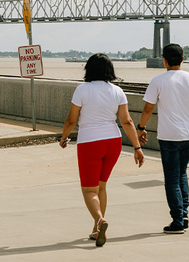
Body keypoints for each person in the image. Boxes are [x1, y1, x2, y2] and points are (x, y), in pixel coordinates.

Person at [59, 53, 145, 247]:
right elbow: (127, 121)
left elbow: (71, 119)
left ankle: (100, 221)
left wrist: (64, 138)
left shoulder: (82, 90)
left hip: (90, 142)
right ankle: (97, 230)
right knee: (102, 187)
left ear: (88, 69)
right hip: (113, 141)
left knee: (89, 190)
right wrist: (137, 147)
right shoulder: (117, 91)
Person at [137, 43, 189, 234]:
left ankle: (177, 221)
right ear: (183, 59)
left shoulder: (158, 80)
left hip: (169, 138)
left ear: (164, 61)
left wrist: (141, 128)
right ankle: (183, 213)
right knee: (182, 174)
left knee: (171, 179)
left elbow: (148, 109)